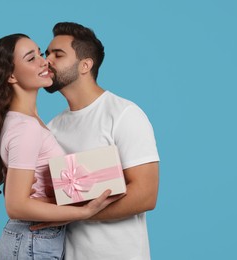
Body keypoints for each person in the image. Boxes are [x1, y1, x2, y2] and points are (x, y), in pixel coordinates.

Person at [0, 33, 122, 260]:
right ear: (11, 76)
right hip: (32, 242)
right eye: (30, 58)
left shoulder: (28, 122)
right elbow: (16, 205)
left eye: (39, 53)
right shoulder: (25, 127)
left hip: (34, 241)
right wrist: (83, 212)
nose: (44, 61)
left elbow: (27, 193)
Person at [33, 22, 160, 259]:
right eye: (46, 53)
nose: (46, 60)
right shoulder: (51, 128)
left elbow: (145, 193)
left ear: (85, 65)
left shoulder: (123, 114)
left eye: (57, 54)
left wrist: (75, 212)